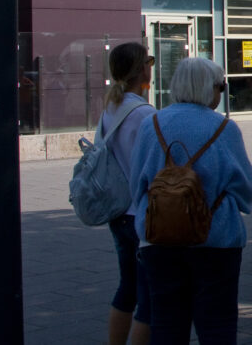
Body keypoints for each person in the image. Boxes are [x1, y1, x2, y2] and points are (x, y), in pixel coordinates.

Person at [130, 57, 252, 342]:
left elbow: (137, 183)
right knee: (217, 323)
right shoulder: (224, 128)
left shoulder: (152, 125)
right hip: (216, 237)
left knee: (166, 323)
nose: (220, 93)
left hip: (159, 237)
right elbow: (244, 188)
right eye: (220, 87)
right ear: (207, 88)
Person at [100, 42, 156, 345]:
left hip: (118, 211)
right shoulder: (145, 113)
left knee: (128, 288)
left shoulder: (111, 107)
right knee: (149, 300)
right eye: (149, 60)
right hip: (140, 215)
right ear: (141, 69)